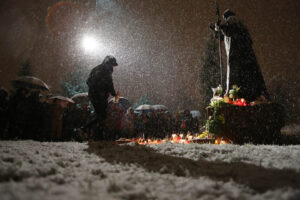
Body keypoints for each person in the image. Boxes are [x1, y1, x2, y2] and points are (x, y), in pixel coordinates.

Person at [210, 9, 270, 102]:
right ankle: (237, 97)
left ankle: (244, 97)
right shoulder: (231, 27)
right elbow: (222, 36)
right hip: (235, 60)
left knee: (243, 80)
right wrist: (215, 29)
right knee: (236, 80)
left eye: (227, 19)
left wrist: (220, 27)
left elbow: (229, 31)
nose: (227, 21)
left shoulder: (237, 26)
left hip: (242, 59)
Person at [86, 55, 119, 123]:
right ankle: (87, 128)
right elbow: (110, 85)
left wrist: (94, 88)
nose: (113, 67)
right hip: (100, 97)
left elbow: (88, 81)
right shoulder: (106, 72)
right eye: (112, 65)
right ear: (108, 63)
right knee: (103, 115)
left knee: (99, 114)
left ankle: (89, 128)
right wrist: (114, 94)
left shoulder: (95, 69)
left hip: (93, 95)